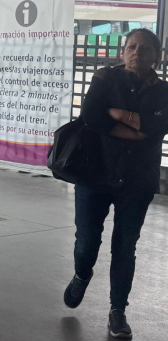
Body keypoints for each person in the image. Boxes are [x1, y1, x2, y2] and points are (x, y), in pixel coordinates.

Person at [64, 28, 168, 339]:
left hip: (137, 181)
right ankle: (82, 274)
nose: (138, 52)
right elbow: (92, 115)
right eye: (132, 47)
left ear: (157, 57)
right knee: (86, 243)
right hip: (95, 174)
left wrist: (115, 116)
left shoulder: (164, 91)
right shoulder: (105, 78)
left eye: (146, 49)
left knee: (125, 247)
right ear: (123, 52)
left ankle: (117, 310)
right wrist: (133, 127)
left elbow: (157, 125)